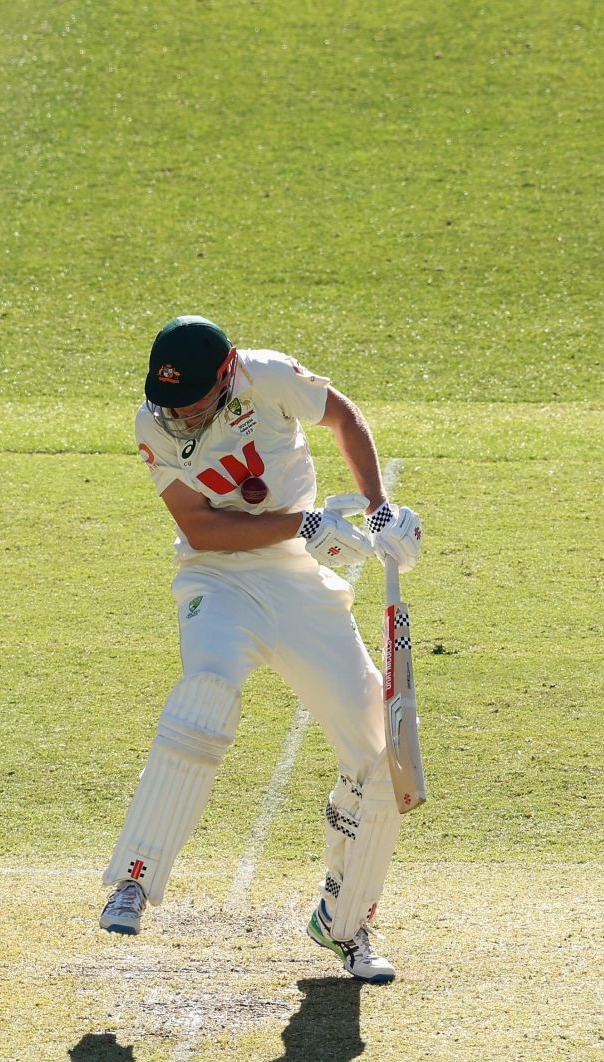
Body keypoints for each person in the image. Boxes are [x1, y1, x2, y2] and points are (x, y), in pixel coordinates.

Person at [97, 316, 423, 984]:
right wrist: (304, 523)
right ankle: (135, 878)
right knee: (206, 692)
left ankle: (346, 923)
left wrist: (378, 508)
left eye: (194, 405)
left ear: (227, 376)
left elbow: (343, 417)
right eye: (171, 407)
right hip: (217, 579)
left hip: (297, 579)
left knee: (377, 759)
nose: (181, 419)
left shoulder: (267, 375)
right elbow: (202, 529)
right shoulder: (152, 424)